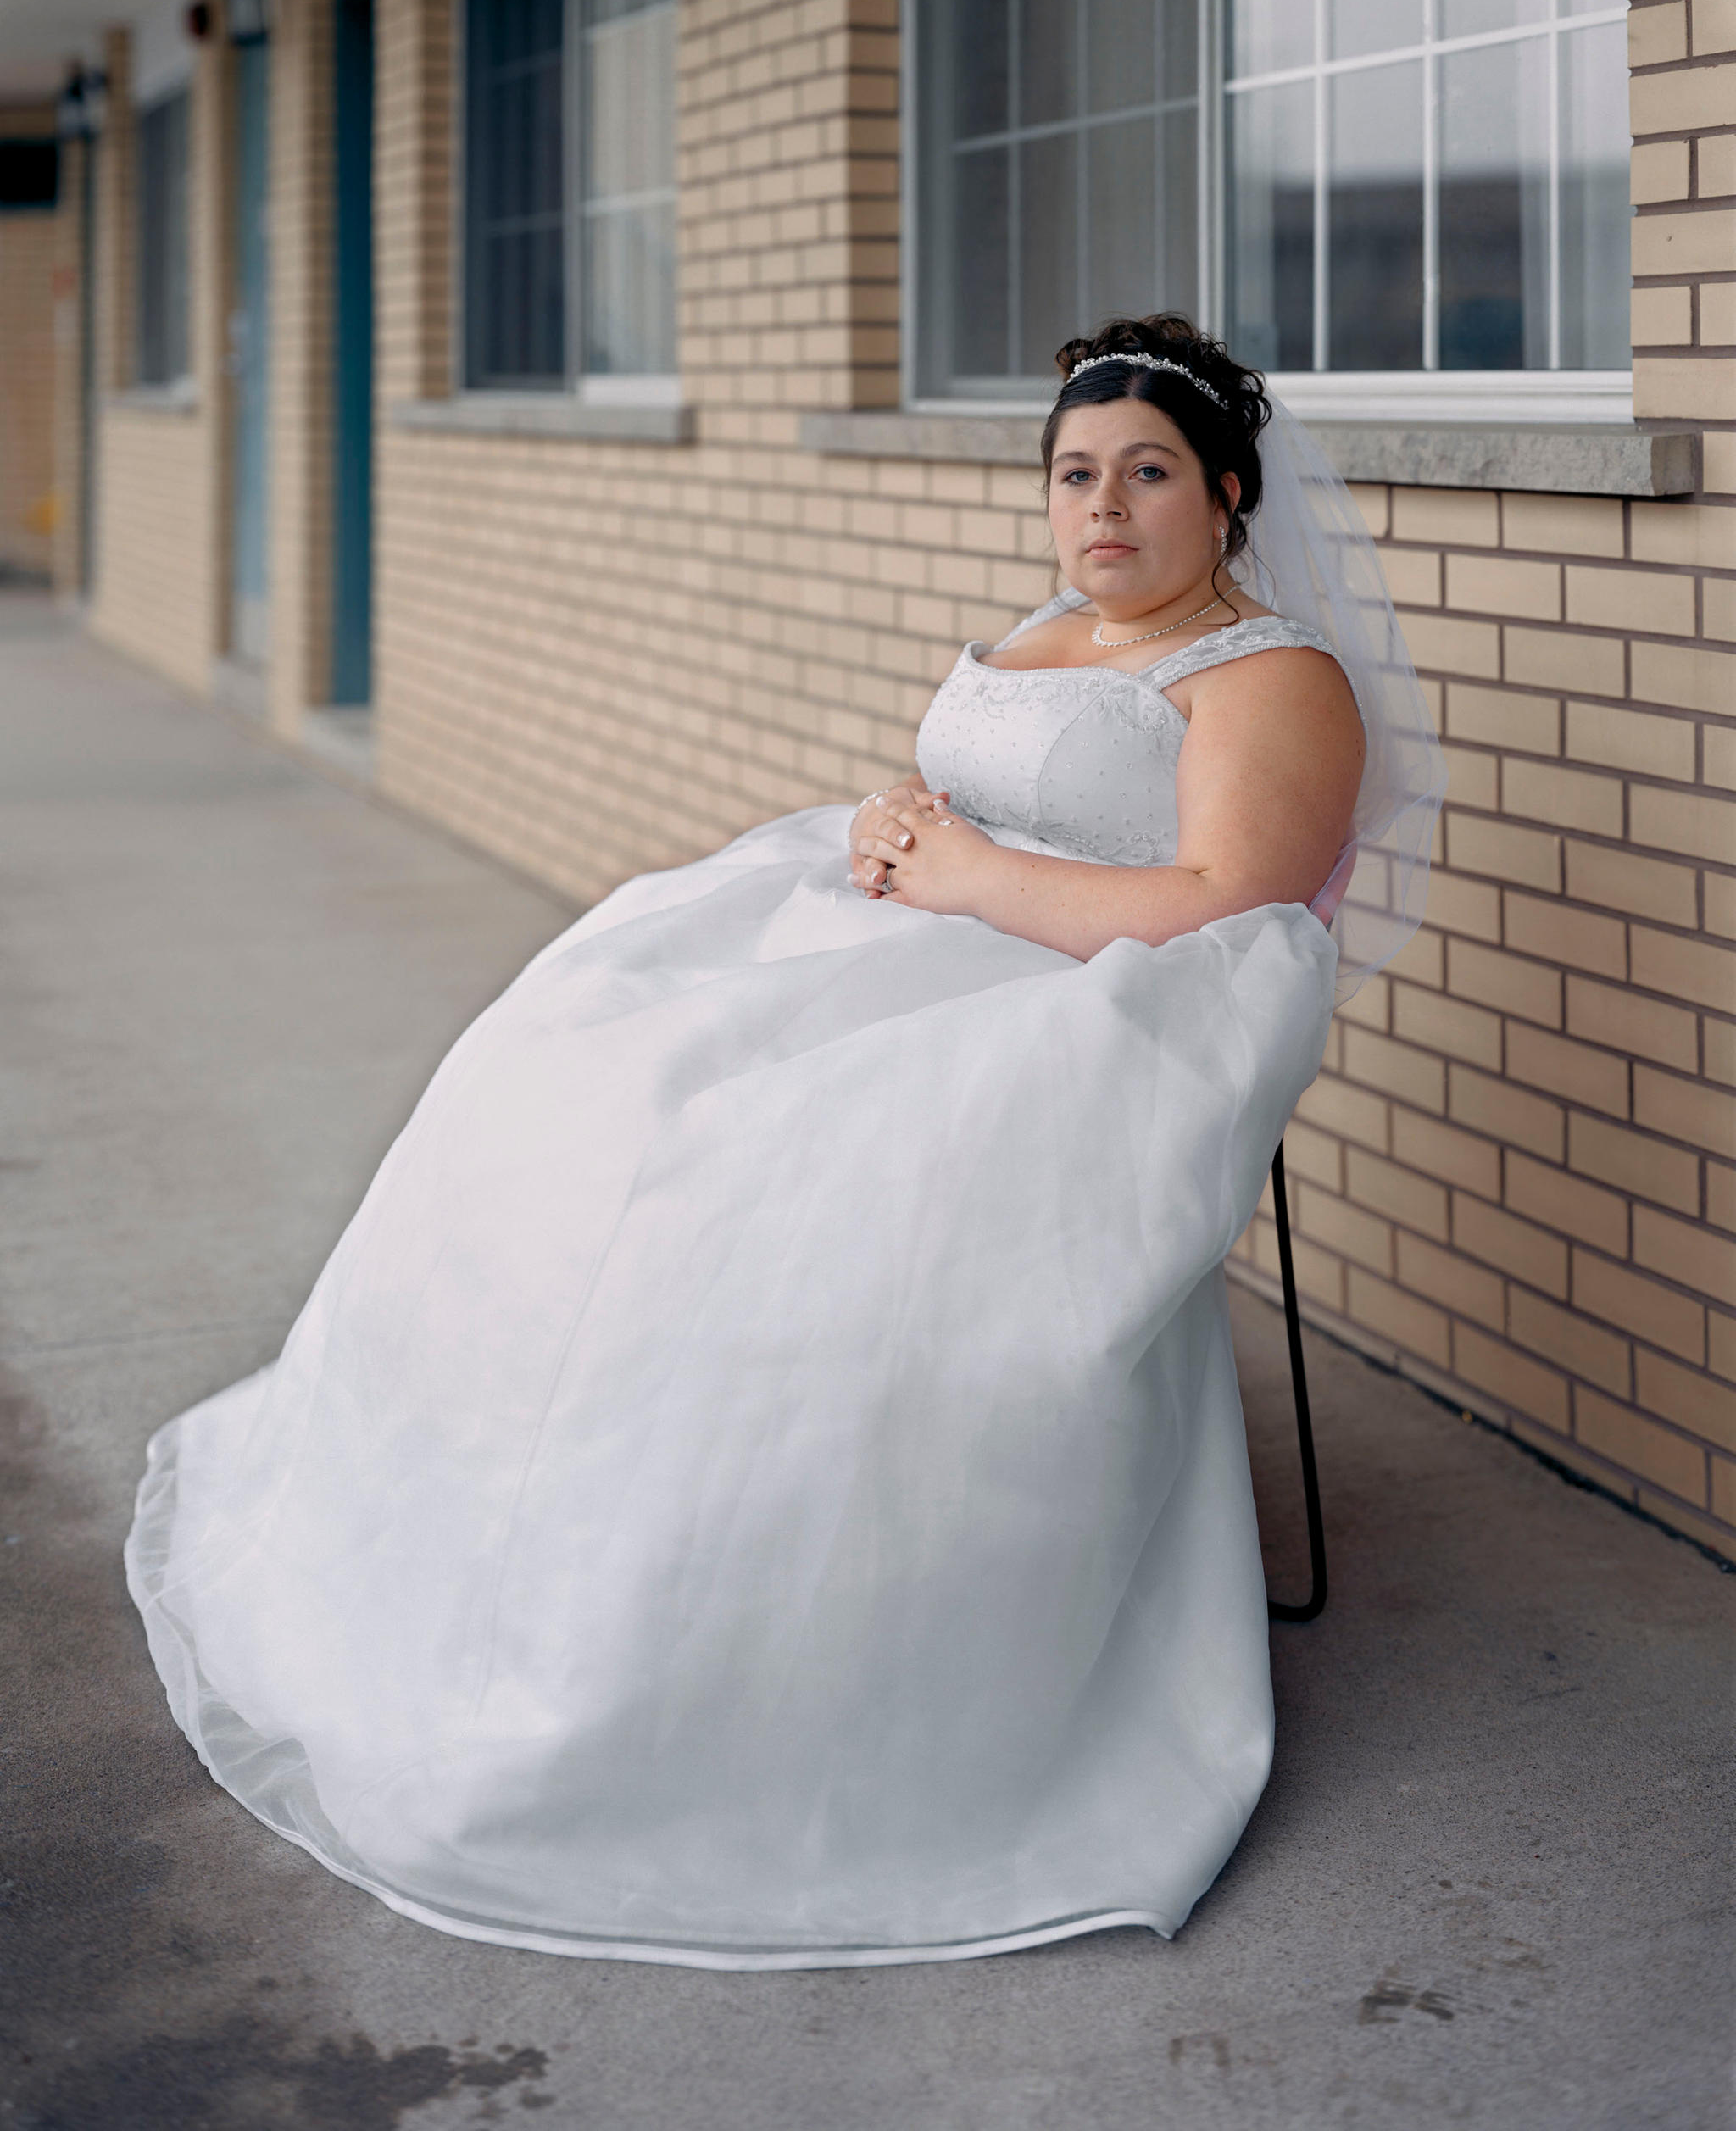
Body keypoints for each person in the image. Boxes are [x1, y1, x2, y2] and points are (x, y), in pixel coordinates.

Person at [127, 314, 1443, 1972]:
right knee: (585, 1073)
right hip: (926, 929)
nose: (1102, 508)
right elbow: (968, 781)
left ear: (1227, 493)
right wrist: (902, 823)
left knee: (739, 1164)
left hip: (1094, 1015)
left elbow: (1219, 906)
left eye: (1148, 474)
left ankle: (720, 1638)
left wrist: (965, 878)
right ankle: (523, 1561)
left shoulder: (1269, 678)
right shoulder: (1056, 628)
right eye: (1072, 475)